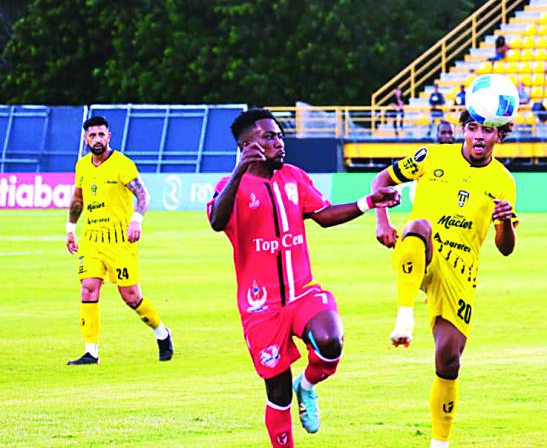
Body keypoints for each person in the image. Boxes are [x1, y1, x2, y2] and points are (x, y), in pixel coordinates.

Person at [207, 109, 400, 447]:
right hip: (260, 307)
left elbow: (323, 215)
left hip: (302, 293)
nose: (279, 142)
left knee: (331, 340)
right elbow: (217, 222)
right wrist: (238, 170)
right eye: (269, 136)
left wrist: (368, 202)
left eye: (279, 135)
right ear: (247, 145)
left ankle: (307, 385)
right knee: (277, 392)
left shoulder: (294, 177)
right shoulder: (230, 187)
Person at [371, 109, 518, 448]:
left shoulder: (504, 181)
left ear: (500, 137)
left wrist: (506, 221)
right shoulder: (432, 155)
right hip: (420, 250)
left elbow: (506, 248)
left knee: (449, 359)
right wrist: (381, 221)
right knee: (419, 226)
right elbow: (380, 181)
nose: (479, 136)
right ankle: (404, 318)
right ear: (463, 130)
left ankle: (439, 444)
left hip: (461, 271)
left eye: (487, 131)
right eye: (472, 128)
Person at [65, 116, 173, 365]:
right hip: (91, 239)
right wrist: (70, 228)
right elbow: (78, 199)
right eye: (92, 135)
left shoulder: (122, 164)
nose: (97, 139)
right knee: (88, 288)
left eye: (102, 134)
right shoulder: (82, 166)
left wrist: (137, 219)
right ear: (85, 140)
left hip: (119, 241)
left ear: (109, 137)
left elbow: (143, 194)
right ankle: (91, 352)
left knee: (131, 297)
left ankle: (162, 333)